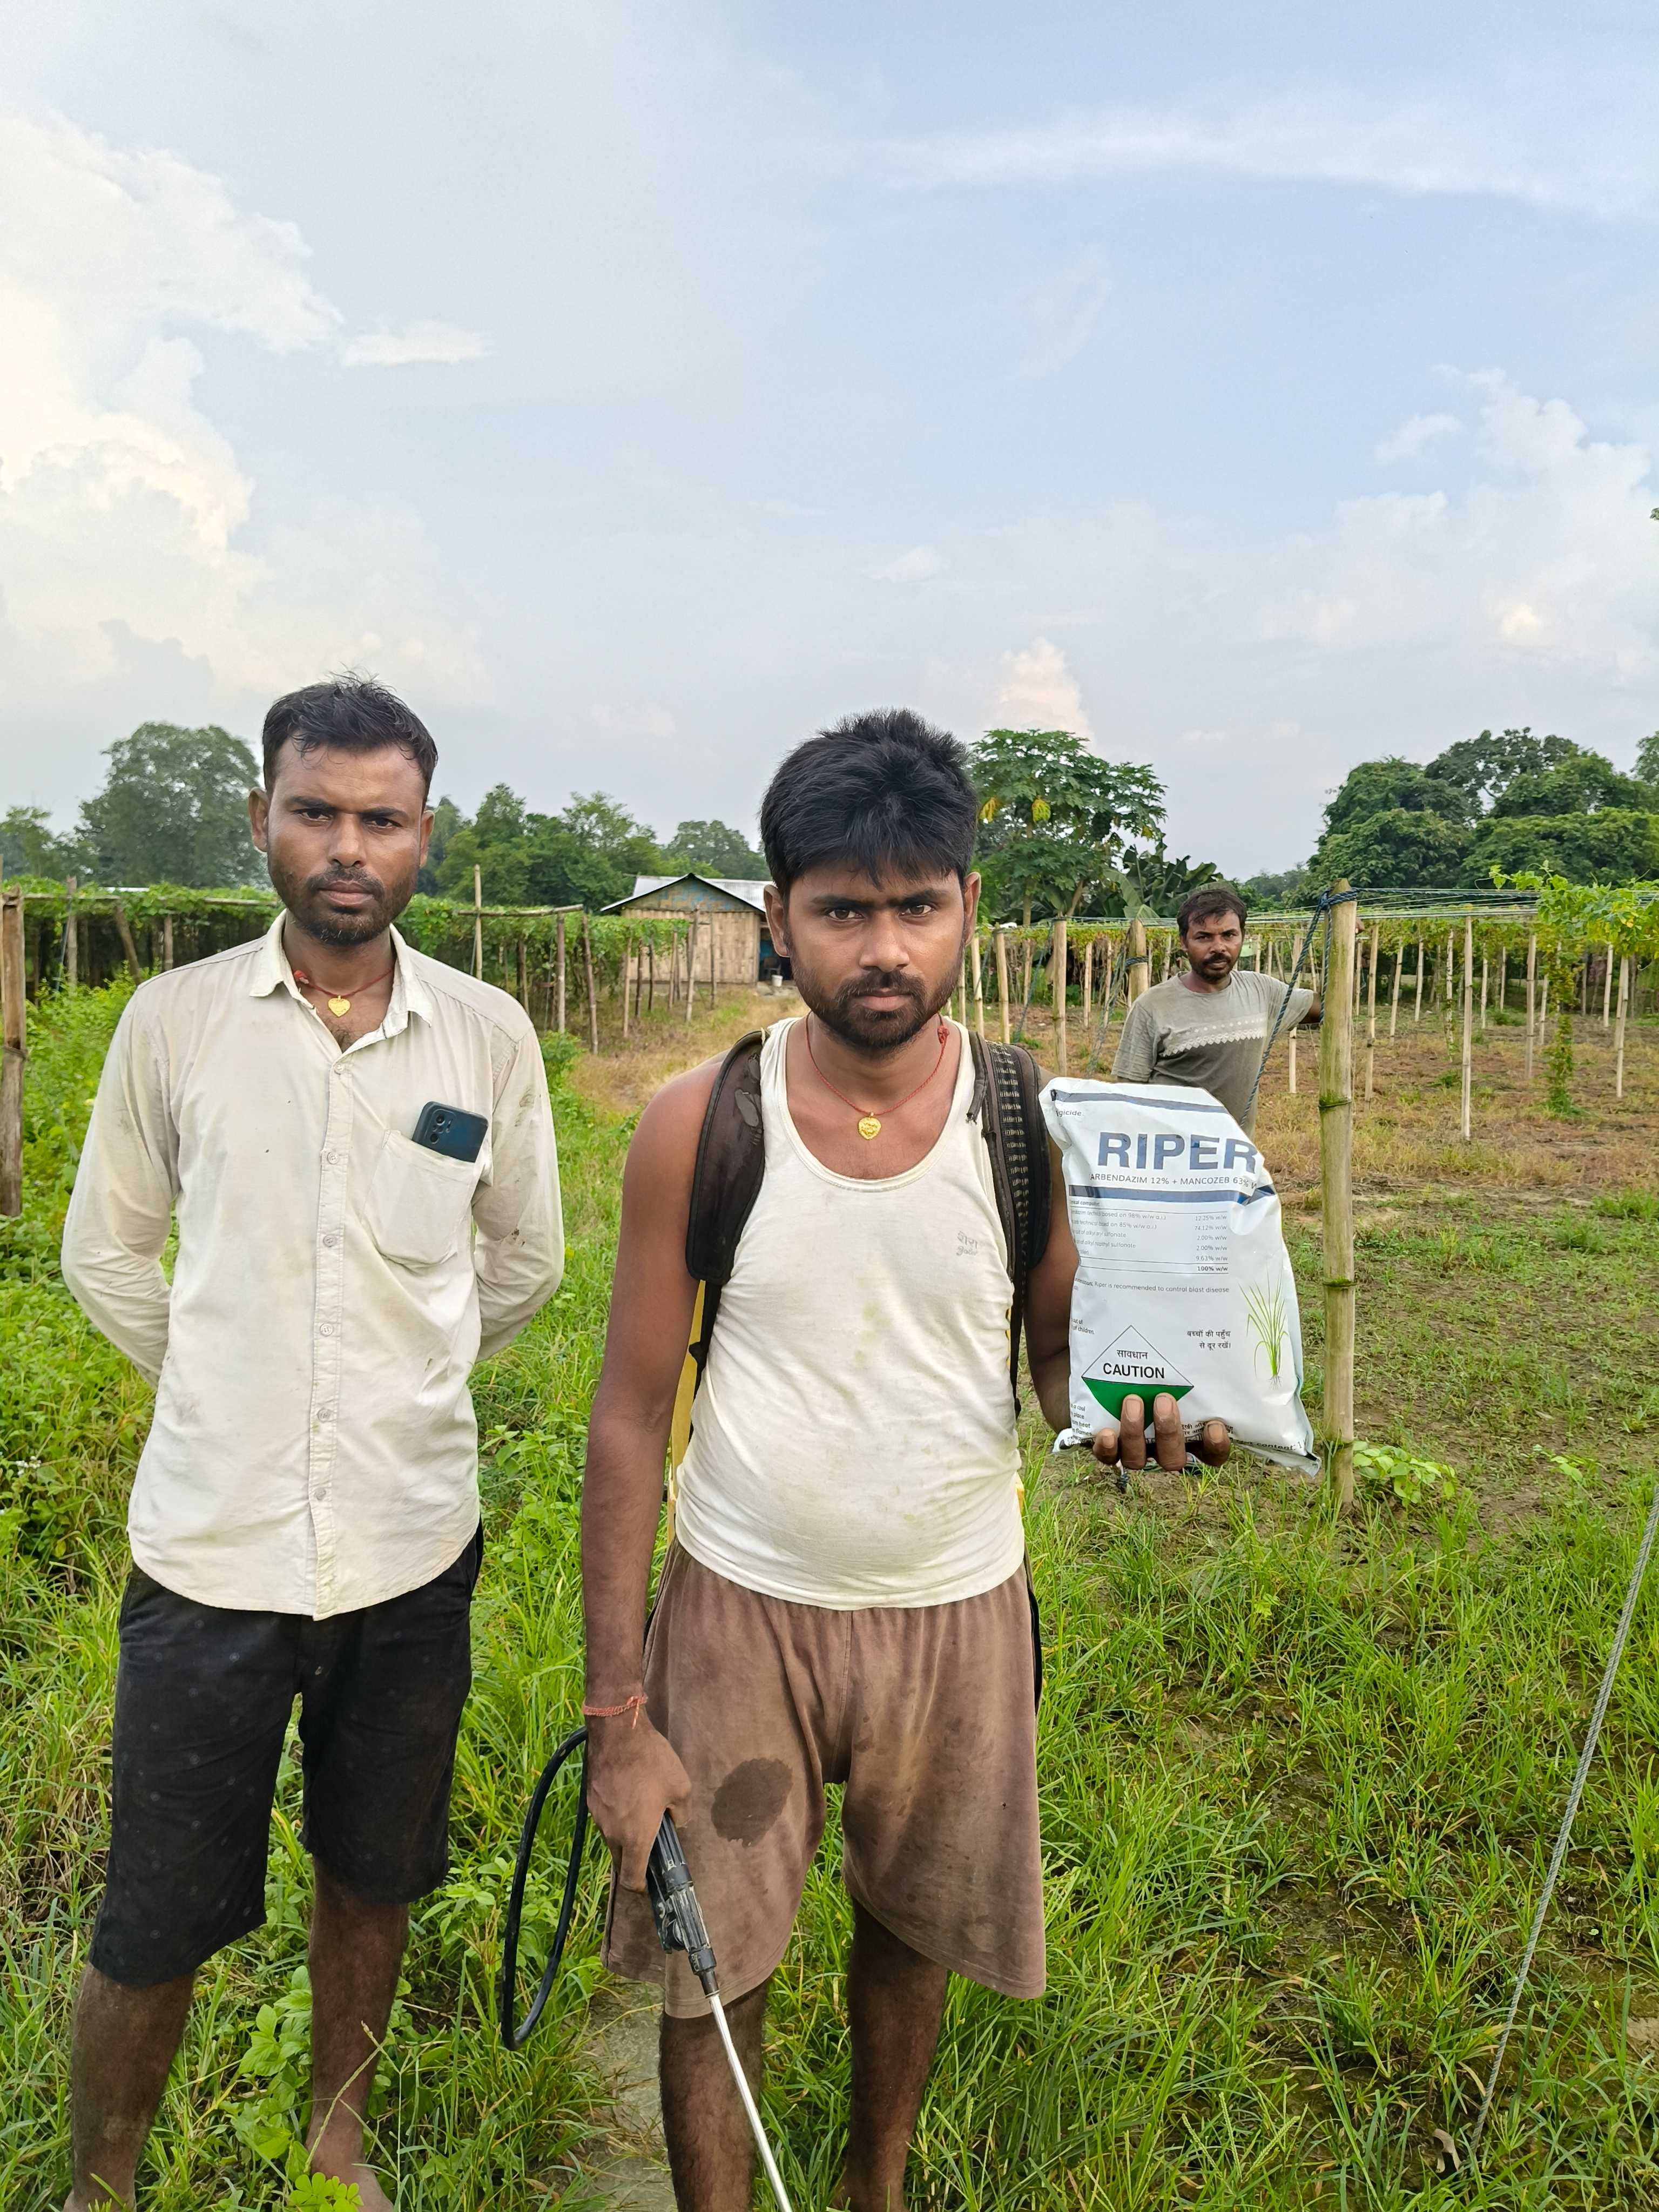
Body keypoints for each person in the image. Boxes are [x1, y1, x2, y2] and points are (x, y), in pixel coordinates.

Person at [579, 709, 1229, 2211]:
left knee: (914, 1931)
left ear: (966, 909)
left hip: (956, 1608)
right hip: (740, 1609)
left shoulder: (1026, 1128)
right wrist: (618, 1713)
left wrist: (1125, 1415)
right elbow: (624, 1416)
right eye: (842, 911)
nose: (884, 949)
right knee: (711, 1963)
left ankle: (873, 2188)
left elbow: (1055, 1359)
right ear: (777, 918)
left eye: (916, 908)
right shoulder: (701, 1125)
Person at [59, 675, 564, 2211]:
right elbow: (106, 1253)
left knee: (375, 1867)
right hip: (210, 1551)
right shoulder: (177, 1022)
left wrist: (401, 1376)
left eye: (381, 819)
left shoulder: (483, 1036)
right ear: (261, 819)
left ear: (425, 834)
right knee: (155, 1907)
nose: (349, 846)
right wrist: (226, 1381)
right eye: (317, 812)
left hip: (409, 1544)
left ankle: (335, 2145)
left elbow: (524, 1259)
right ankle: (101, 2185)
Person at [1111, 884, 1320, 1134]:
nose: (1218, 947)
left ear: (1242, 936)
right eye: (1204, 937)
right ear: (1184, 942)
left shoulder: (1262, 991)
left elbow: (1328, 1008)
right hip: (1169, 1153)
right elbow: (1127, 1096)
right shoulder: (1152, 1006)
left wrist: (1342, 936)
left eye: (1229, 935)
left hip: (1236, 1154)